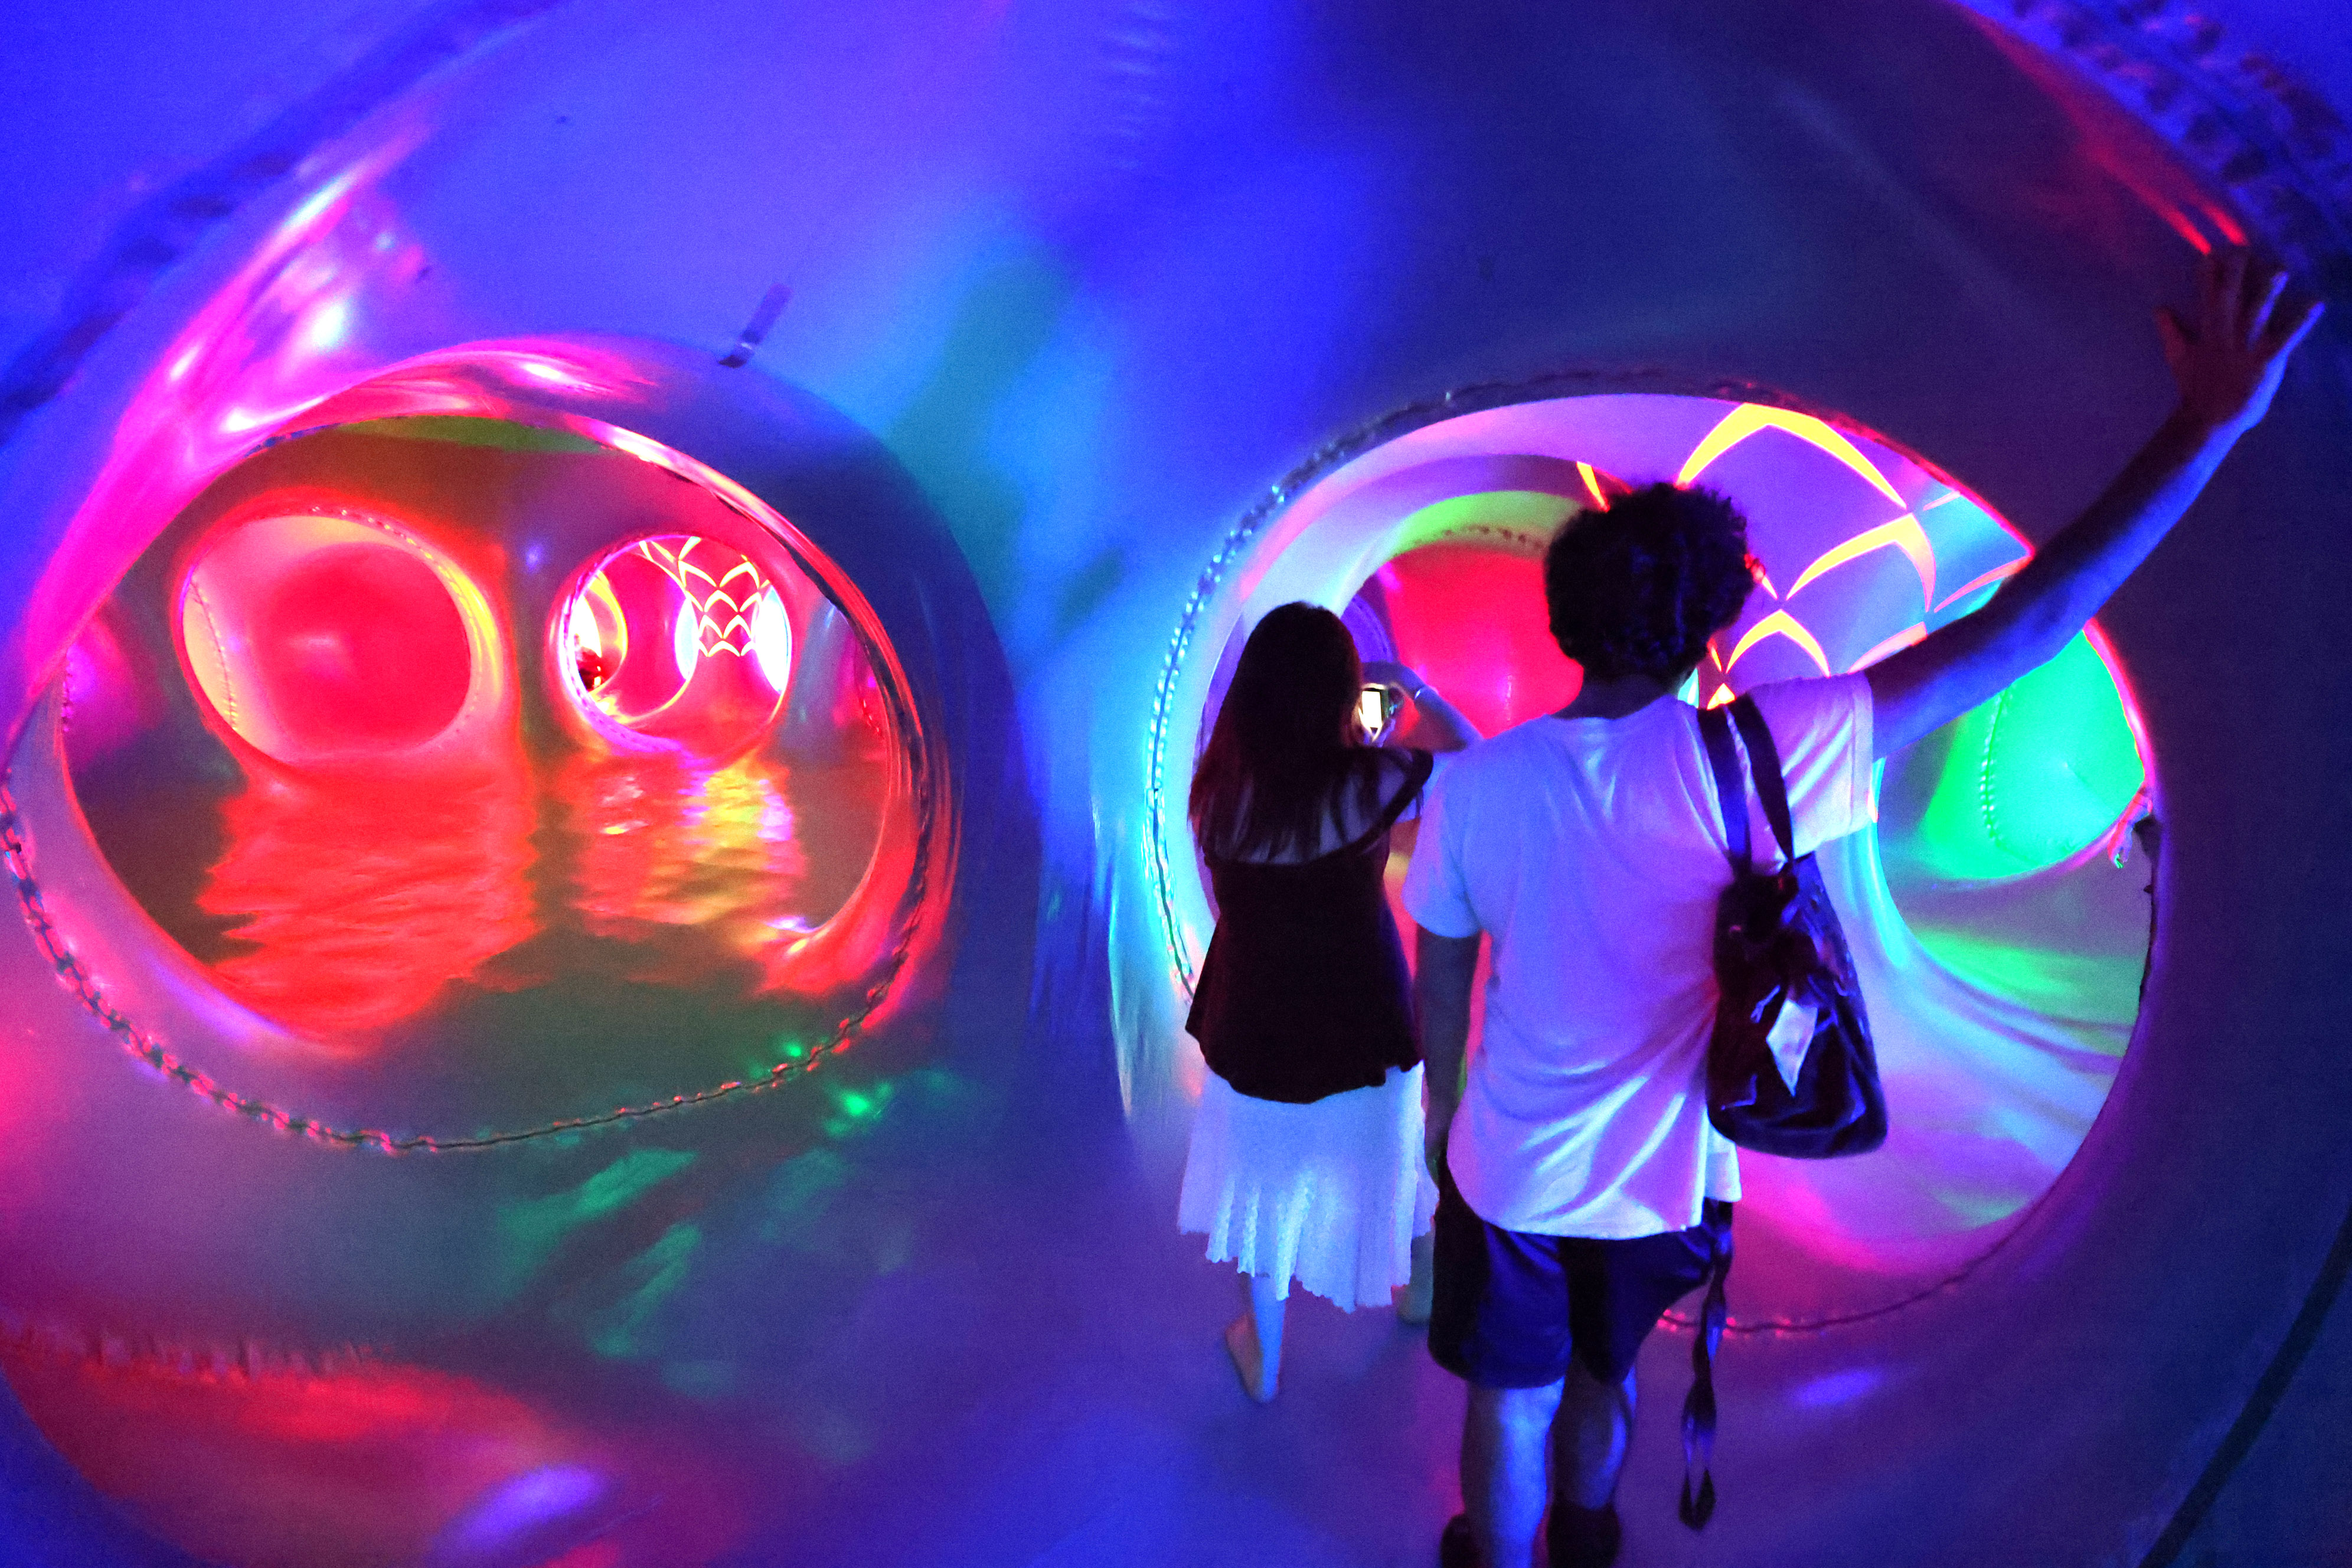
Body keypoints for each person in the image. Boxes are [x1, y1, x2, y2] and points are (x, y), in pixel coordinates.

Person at [1402, 250, 2322, 1568]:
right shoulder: (1768, 747)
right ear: (1709, 625)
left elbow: (1443, 972)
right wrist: (2204, 422)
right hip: (1667, 1179)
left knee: (1512, 1394)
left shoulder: (1478, 784)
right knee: (1606, 1385)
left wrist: (1447, 1120)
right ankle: (1585, 1544)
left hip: (1511, 1165)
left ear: (1564, 617)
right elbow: (2026, 620)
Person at [1178, 602, 1482, 1401]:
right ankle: (1419, 1292)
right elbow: (1473, 758)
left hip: (1254, 1018)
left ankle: (1263, 1355)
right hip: (1365, 1009)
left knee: (1263, 1190)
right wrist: (1406, 686)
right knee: (1401, 1153)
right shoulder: (1370, 783)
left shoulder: (1218, 791)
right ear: (1339, 695)